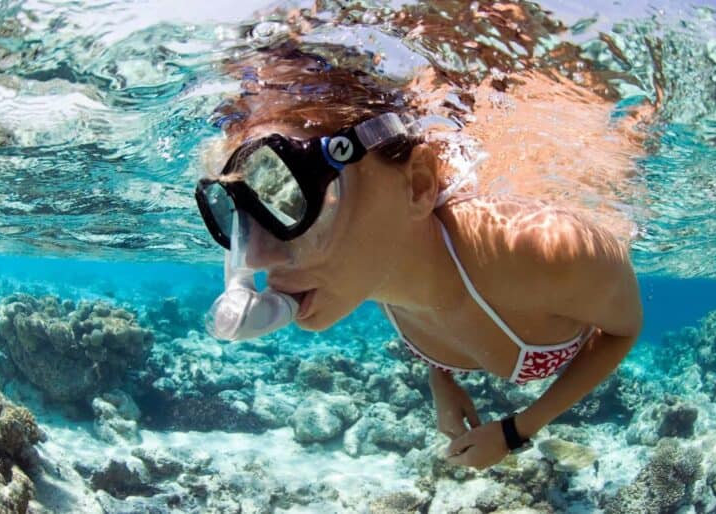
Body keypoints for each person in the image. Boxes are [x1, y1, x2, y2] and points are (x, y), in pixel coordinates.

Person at [195, 33, 644, 470]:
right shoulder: (367, 269)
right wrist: (440, 376)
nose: (255, 259)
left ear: (418, 184)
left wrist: (515, 431)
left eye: (295, 198)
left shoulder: (541, 250)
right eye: (241, 217)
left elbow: (623, 330)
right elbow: (426, 291)